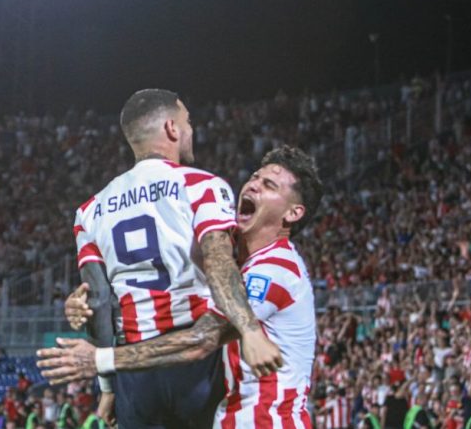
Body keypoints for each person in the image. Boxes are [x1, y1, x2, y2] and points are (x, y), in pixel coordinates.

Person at [39, 145, 323, 428]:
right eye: (255, 177)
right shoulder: (230, 262)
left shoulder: (276, 269)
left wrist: (101, 360)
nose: (253, 185)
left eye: (269, 185)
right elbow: (152, 284)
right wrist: (84, 303)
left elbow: (202, 339)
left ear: (293, 213)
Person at [66, 89, 281, 428]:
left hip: (134, 369)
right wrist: (249, 329)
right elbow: (219, 264)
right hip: (194, 357)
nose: (192, 130)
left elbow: (97, 300)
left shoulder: (89, 211)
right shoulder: (202, 186)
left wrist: (107, 386)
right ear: (171, 128)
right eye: (188, 122)